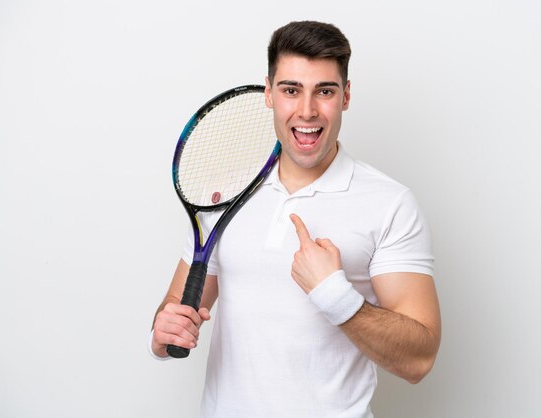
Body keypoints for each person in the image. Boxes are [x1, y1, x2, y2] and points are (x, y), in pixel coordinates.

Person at [149, 20, 441, 418]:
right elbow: (176, 308)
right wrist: (164, 332)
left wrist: (336, 296)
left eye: (324, 91)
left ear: (346, 96)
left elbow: (418, 360)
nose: (307, 111)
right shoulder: (224, 195)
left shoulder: (390, 203)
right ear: (268, 93)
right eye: (290, 90)